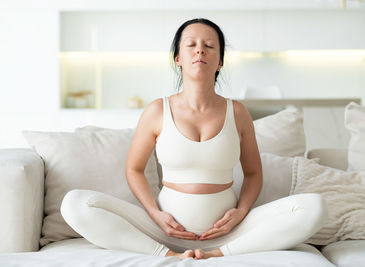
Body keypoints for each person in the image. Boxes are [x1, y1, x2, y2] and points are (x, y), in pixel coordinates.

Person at [60, 18, 328, 260]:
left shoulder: (237, 112)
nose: (200, 50)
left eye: (209, 46)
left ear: (220, 60)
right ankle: (166, 255)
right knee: (74, 203)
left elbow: (254, 173)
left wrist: (240, 213)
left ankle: (220, 254)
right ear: (178, 58)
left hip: (230, 232)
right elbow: (134, 169)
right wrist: (156, 214)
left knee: (314, 207)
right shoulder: (157, 110)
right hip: (162, 230)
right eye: (191, 45)